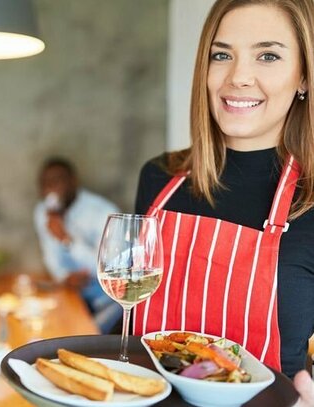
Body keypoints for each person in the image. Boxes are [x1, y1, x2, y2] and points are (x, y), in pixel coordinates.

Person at [125, 0, 314, 404]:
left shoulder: (311, 201)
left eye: (268, 56)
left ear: (304, 77)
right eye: (222, 55)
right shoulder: (159, 179)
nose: (238, 77)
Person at [34, 157, 122, 333]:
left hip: (108, 301)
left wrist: (66, 240)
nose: (51, 188)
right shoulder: (42, 212)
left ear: (73, 181)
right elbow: (51, 259)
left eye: (57, 181)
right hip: (72, 295)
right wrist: (64, 277)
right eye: (45, 184)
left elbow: (110, 269)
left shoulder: (104, 212)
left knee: (78, 337)